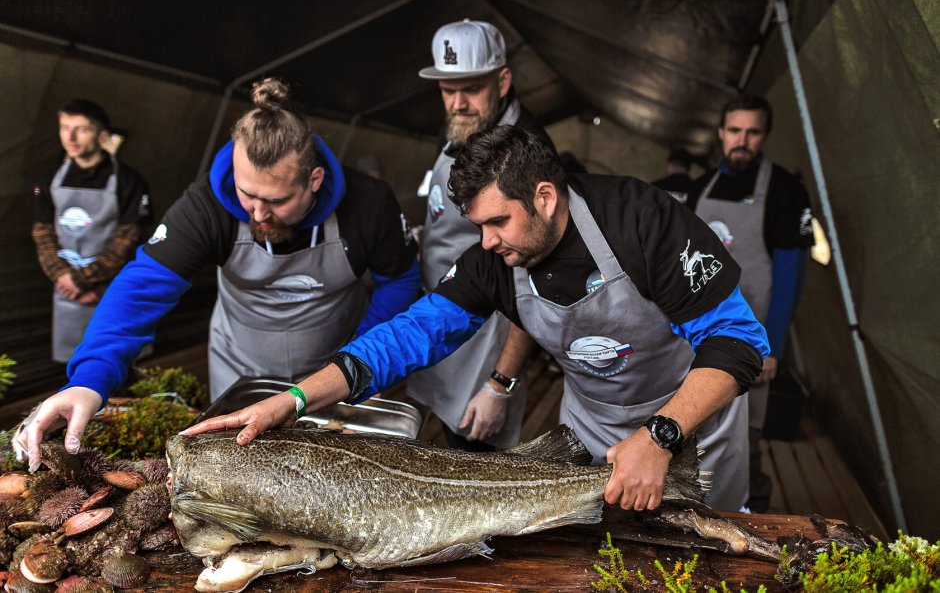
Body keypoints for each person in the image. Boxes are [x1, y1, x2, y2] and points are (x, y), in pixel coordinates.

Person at [179, 126, 769, 513]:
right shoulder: (494, 260)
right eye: (475, 226)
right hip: (590, 424)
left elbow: (738, 343)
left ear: (544, 197)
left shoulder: (643, 221)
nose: (484, 243)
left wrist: (661, 437)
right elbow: (410, 336)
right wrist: (294, 400)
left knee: (705, 551)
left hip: (691, 421)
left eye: (497, 223)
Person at [15, 79, 420, 467]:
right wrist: (89, 380)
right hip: (237, 366)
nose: (258, 214)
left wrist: (360, 361)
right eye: (248, 194)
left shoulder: (368, 204)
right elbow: (140, 289)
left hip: (330, 364)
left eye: (277, 200)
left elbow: (399, 279)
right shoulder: (207, 205)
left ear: (314, 180)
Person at [407, 18, 557, 451]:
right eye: (447, 90)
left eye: (471, 88)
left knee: (475, 457)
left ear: (503, 80)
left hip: (488, 337)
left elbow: (536, 282)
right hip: (439, 315)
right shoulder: (459, 124)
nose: (458, 103)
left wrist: (500, 383)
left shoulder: (528, 151)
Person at [691, 93, 814, 512]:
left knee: (748, 440)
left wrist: (772, 347)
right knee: (698, 431)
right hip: (699, 335)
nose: (742, 140)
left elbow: (789, 280)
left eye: (753, 132)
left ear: (764, 136)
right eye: (735, 131)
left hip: (751, 339)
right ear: (721, 132)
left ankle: (756, 518)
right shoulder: (701, 186)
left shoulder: (785, 191)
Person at [32, 100, 151, 363]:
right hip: (67, 291)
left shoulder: (129, 181)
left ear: (103, 135)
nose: (71, 137)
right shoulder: (50, 178)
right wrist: (64, 277)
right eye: (65, 128)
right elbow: (42, 233)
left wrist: (87, 280)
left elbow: (128, 238)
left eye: (81, 129)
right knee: (73, 366)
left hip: (113, 287)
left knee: (121, 362)